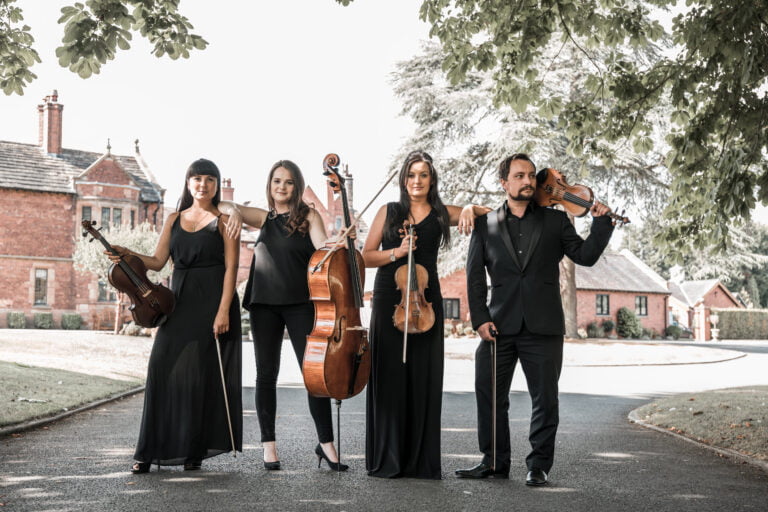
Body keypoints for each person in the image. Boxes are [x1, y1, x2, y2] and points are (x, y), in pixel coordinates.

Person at [455, 154, 614, 485]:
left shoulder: (556, 222)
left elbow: (585, 256)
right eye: (519, 176)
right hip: (497, 325)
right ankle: (494, 461)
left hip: (544, 326)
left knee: (545, 399)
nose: (527, 181)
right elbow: (473, 277)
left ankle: (538, 465)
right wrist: (480, 318)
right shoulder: (486, 225)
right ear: (505, 183)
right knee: (488, 392)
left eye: (531, 175)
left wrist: (602, 223)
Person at [108, 158, 243, 473]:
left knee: (201, 378)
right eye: (197, 179)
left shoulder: (225, 221)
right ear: (188, 182)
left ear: (216, 185)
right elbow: (156, 262)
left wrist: (223, 310)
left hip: (213, 303)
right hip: (179, 302)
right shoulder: (172, 219)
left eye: (210, 179)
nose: (203, 185)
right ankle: (148, 451)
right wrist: (125, 252)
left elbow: (232, 269)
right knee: (161, 365)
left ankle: (193, 451)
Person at [362, 150, 489, 479]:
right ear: (403, 178)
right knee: (390, 377)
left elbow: (491, 213)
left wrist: (472, 208)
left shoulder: (441, 213)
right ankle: (388, 457)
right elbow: (366, 257)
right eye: (411, 174)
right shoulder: (388, 212)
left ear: (431, 180)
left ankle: (420, 460)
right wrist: (397, 253)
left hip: (426, 300)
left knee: (423, 377)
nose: (416, 181)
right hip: (392, 298)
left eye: (423, 175)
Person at [219, 160, 347, 471]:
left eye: (288, 182)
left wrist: (335, 244)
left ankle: (327, 445)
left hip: (301, 303)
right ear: (270, 184)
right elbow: (220, 203)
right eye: (277, 181)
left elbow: (322, 248)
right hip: (264, 304)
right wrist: (234, 211)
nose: (281, 187)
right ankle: (269, 447)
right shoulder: (263, 218)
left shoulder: (310, 216)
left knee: (314, 376)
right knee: (266, 375)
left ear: (297, 186)